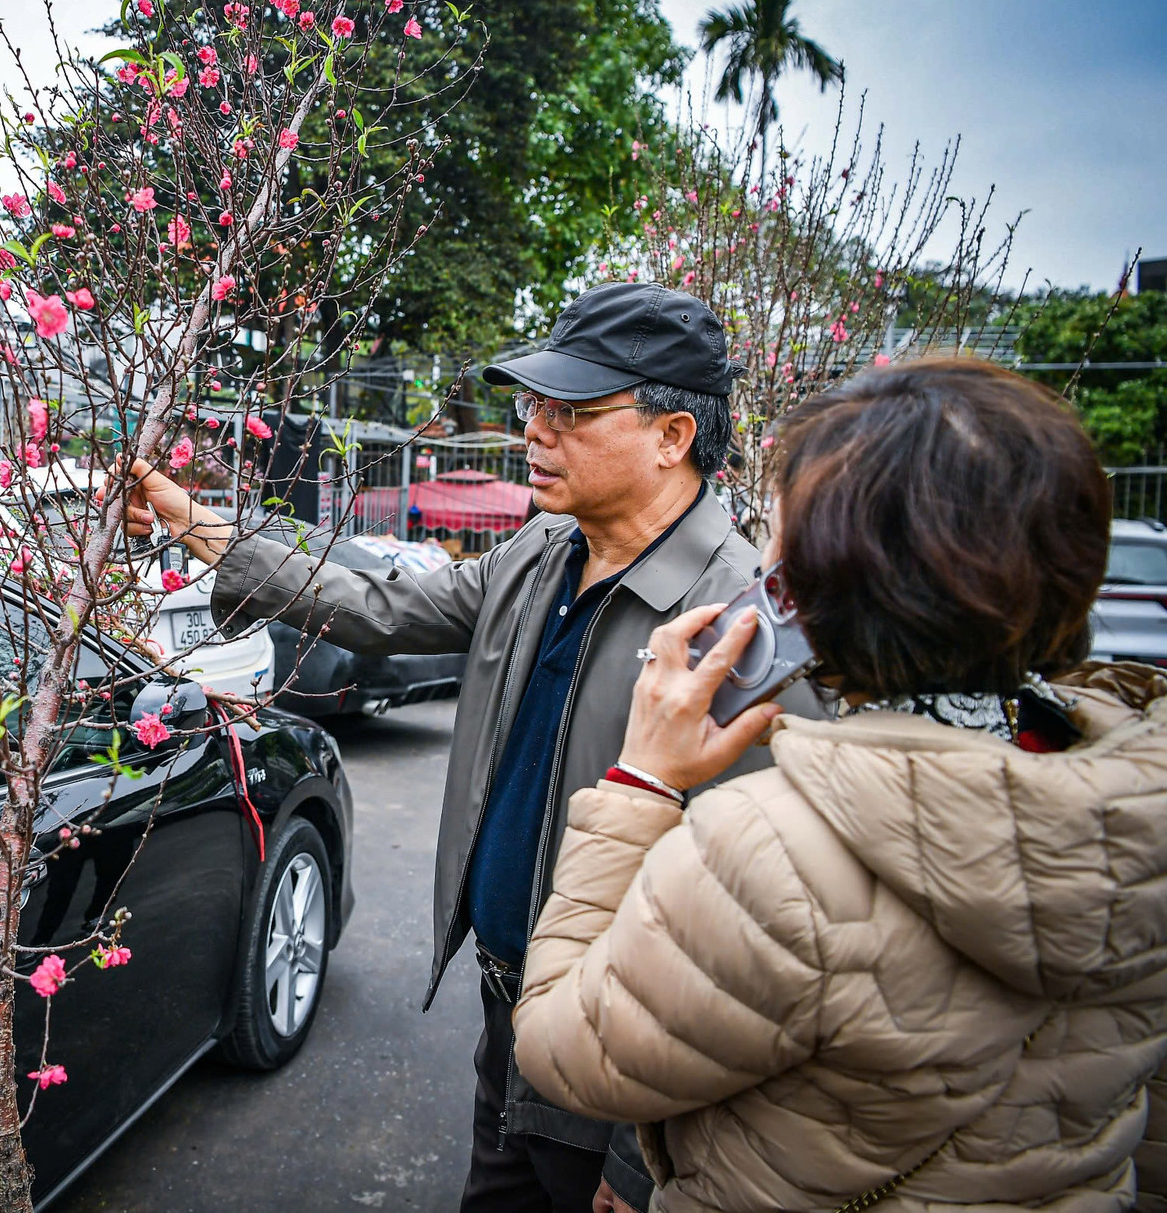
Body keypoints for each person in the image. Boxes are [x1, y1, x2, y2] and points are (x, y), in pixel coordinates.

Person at [123, 281, 822, 1212]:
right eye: (535, 406)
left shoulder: (737, 631)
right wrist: (194, 522)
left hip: (623, 1072)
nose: (535, 430)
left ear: (672, 436)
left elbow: (758, 937)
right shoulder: (540, 554)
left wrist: (632, 1156)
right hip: (509, 1023)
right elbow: (372, 608)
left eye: (573, 410)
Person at [511, 356, 1167, 1210]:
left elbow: (565, 1050)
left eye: (778, 549)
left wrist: (640, 783)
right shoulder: (1137, 797)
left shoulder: (770, 853)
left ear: (813, 595)